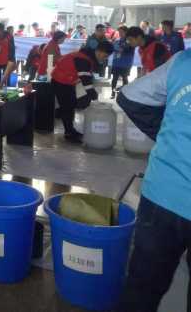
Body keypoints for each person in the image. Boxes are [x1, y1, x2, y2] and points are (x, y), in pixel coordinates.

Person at [116, 49, 191, 312]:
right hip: (162, 195)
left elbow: (131, 95)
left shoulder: (183, 62)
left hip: (162, 194)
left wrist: (166, 133)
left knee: (142, 288)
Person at [51, 41, 114, 143]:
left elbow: (86, 77)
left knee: (70, 105)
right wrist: (94, 96)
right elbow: (86, 81)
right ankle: (69, 133)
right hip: (60, 81)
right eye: (105, 56)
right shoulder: (83, 59)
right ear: (99, 51)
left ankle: (69, 129)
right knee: (67, 107)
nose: (105, 58)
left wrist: (92, 94)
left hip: (67, 81)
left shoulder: (87, 56)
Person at [110, 25, 134, 99]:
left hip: (125, 63)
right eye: (119, 32)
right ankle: (113, 93)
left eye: (122, 32)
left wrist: (121, 49)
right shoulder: (117, 40)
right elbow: (113, 48)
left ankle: (124, 94)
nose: (120, 33)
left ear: (126, 32)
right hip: (116, 62)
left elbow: (127, 49)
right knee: (114, 78)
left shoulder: (130, 40)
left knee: (124, 78)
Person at [0, 23, 16, 88]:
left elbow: (12, 50)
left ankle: (7, 90)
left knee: (6, 79)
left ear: (2, 30)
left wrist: (12, 61)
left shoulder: (9, 37)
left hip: (7, 61)